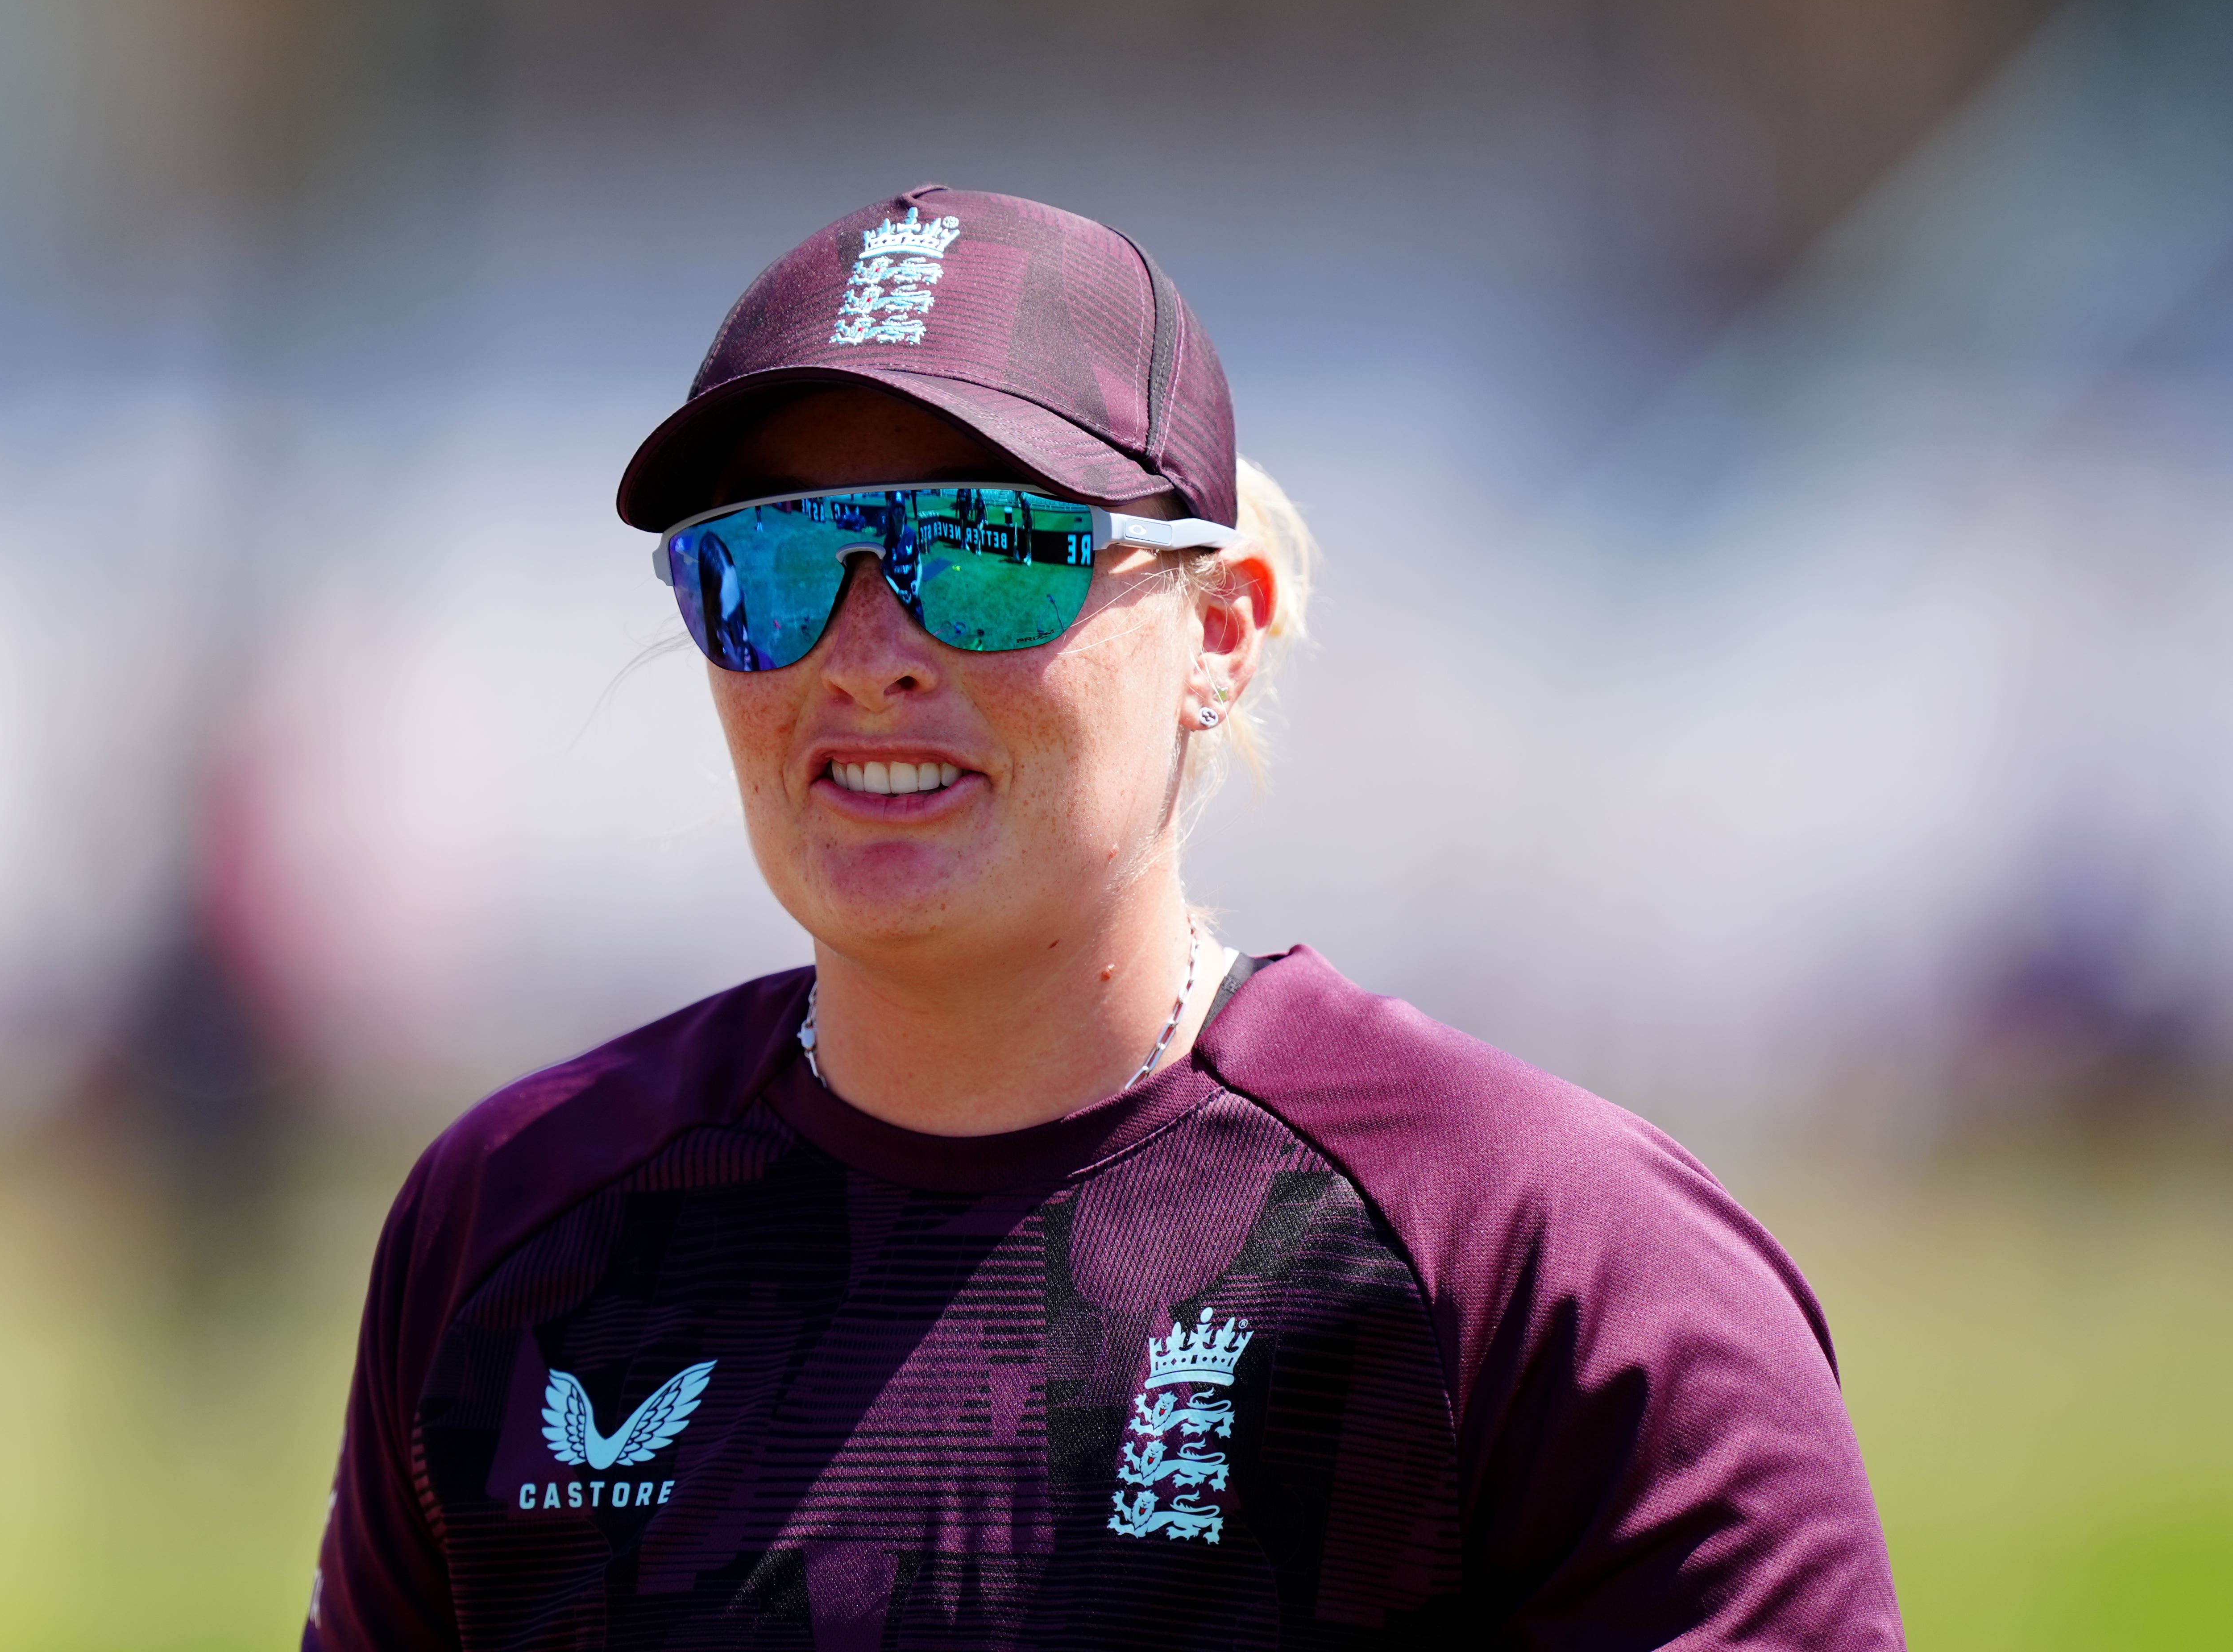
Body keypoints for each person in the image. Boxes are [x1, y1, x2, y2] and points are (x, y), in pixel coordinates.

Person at [305, 186, 1902, 1650]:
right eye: (768, 566)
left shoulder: (1547, 1258)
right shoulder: (518, 1228)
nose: (866, 656)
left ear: (1222, 629)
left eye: (984, 554)